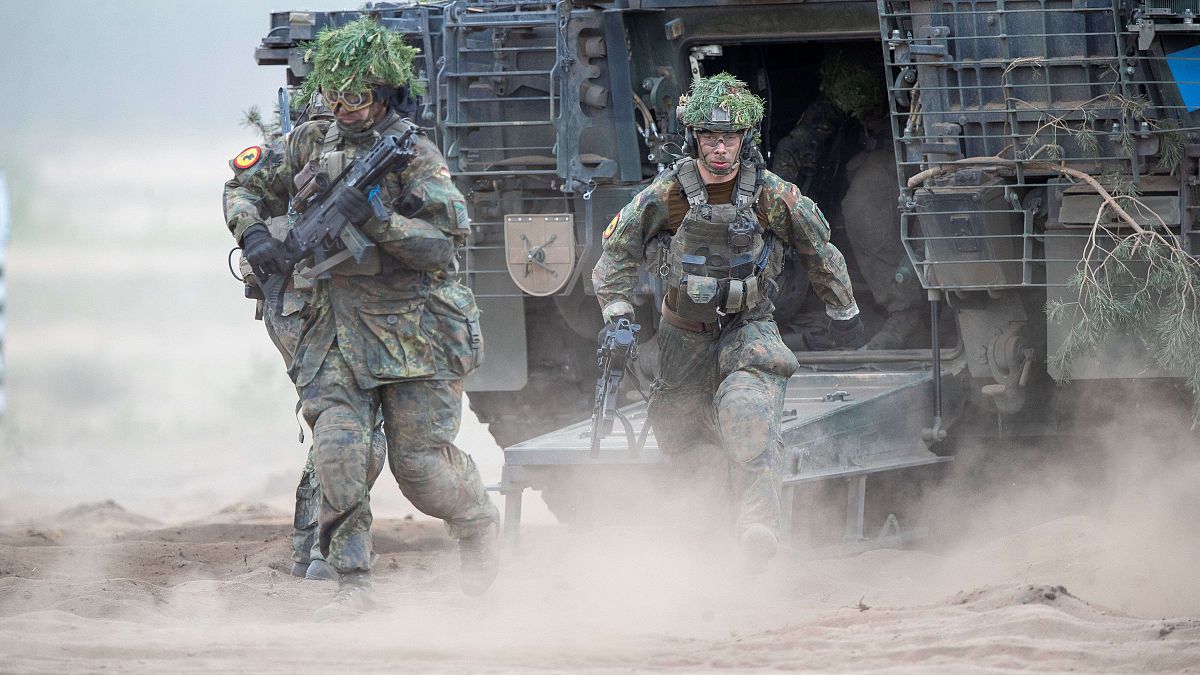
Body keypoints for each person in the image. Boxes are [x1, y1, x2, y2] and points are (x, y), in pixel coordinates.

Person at [224, 17, 499, 618]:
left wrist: (378, 220)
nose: (343, 108)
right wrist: (254, 238)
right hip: (330, 328)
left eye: (357, 96)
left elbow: (443, 246)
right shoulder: (308, 143)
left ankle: (478, 525)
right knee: (341, 448)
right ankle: (352, 582)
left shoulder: (414, 157)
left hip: (411, 331)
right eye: (334, 95)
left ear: (382, 96)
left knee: (421, 469)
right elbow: (241, 187)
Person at [592, 73, 864, 570]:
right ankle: (701, 545)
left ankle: (757, 526)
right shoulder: (669, 195)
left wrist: (843, 309)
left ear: (745, 139)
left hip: (749, 327)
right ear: (695, 138)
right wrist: (618, 315)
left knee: (746, 414)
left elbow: (818, 249)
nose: (721, 149)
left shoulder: (771, 196)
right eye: (711, 138)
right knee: (681, 439)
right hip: (681, 337)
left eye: (730, 138)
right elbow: (616, 253)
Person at [771, 54, 926, 350]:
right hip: (864, 157)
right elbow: (798, 144)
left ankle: (904, 313)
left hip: (918, 155)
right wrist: (776, 194)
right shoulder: (845, 94)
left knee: (863, 204)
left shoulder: (910, 88)